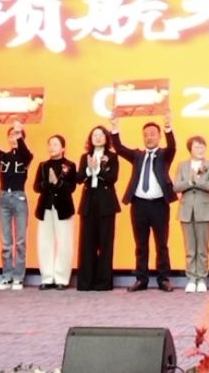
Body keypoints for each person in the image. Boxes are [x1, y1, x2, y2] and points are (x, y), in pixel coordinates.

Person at [112, 115, 177, 293]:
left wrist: (168, 128)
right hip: (139, 204)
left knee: (161, 243)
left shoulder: (164, 155)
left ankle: (163, 279)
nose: (149, 137)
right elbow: (119, 148)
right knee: (140, 244)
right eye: (146, 135)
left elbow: (172, 146)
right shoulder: (137, 156)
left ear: (159, 136)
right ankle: (141, 279)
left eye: (152, 134)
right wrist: (115, 128)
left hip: (159, 205)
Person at [0, 121, 31, 291]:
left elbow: (24, 152)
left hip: (19, 198)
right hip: (4, 197)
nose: (13, 138)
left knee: (20, 241)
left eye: (17, 135)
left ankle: (18, 277)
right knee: (6, 242)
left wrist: (20, 134)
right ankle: (7, 276)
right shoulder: (3, 157)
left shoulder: (26, 156)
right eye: (11, 135)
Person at [76, 125, 120, 292]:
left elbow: (112, 178)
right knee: (87, 243)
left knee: (105, 243)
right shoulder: (85, 156)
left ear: (106, 138)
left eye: (101, 135)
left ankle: (103, 282)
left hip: (106, 202)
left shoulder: (112, 156)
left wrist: (98, 170)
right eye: (94, 135)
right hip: (89, 201)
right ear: (90, 138)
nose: (98, 137)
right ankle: (86, 282)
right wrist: (89, 169)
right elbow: (79, 178)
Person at [174, 136, 209, 293]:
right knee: (190, 247)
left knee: (202, 248)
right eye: (197, 147)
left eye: (202, 147)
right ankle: (192, 278)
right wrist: (189, 182)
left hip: (204, 210)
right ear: (190, 149)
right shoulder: (182, 165)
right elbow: (176, 187)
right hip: (186, 211)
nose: (200, 150)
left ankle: (202, 278)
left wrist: (197, 181)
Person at [33, 135, 78, 290]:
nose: (52, 147)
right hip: (45, 208)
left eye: (55, 144)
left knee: (65, 243)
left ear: (63, 148)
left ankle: (61, 278)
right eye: (50, 144)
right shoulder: (43, 165)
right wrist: (47, 183)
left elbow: (71, 188)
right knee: (45, 243)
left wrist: (57, 182)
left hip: (63, 208)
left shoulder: (70, 165)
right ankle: (47, 277)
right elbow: (36, 187)